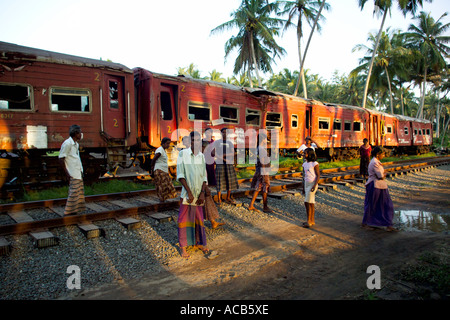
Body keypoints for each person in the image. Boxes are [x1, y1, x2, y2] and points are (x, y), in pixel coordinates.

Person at [176, 131, 210, 259]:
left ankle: (199, 243)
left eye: (198, 140)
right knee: (183, 219)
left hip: (198, 193)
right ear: (189, 141)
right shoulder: (182, 154)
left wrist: (202, 192)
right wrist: (189, 192)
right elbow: (180, 175)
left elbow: (204, 175)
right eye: (193, 140)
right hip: (187, 193)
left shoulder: (201, 156)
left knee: (198, 218)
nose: (195, 142)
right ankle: (183, 247)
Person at [362, 146, 397, 232]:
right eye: (383, 154)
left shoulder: (376, 161)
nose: (384, 155)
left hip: (379, 186)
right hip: (375, 186)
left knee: (383, 205)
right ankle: (366, 223)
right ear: (378, 154)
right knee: (374, 205)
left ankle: (387, 224)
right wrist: (383, 175)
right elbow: (380, 175)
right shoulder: (375, 163)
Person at [59, 125, 85, 216]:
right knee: (73, 192)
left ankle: (74, 211)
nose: (81, 134)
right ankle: (68, 212)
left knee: (78, 192)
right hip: (72, 172)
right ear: (75, 134)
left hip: (77, 171)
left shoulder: (76, 144)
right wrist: (66, 174)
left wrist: (81, 170)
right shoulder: (67, 144)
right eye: (80, 133)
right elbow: (61, 158)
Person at [202, 140, 225, 229]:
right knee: (205, 203)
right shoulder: (200, 156)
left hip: (204, 183)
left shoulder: (202, 156)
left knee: (208, 202)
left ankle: (213, 222)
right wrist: (205, 185)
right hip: (201, 184)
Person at [248, 132, 272, 213]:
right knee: (263, 188)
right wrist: (264, 173)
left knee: (260, 188)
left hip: (260, 171)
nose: (267, 140)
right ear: (263, 139)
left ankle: (261, 205)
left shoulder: (258, 148)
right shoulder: (261, 148)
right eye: (265, 138)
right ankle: (262, 206)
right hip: (263, 171)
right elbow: (262, 162)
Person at [214, 127, 239, 205]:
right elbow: (213, 152)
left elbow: (234, 153)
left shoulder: (230, 143)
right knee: (219, 181)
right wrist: (223, 159)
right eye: (223, 132)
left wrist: (225, 155)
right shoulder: (217, 142)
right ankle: (219, 199)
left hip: (228, 164)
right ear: (221, 133)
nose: (225, 133)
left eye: (226, 132)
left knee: (229, 180)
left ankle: (228, 197)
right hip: (220, 163)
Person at [150, 137, 178, 202]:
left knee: (165, 185)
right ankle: (162, 200)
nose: (168, 145)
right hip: (159, 170)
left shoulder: (163, 150)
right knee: (162, 185)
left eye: (169, 144)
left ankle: (163, 199)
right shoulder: (159, 150)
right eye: (167, 143)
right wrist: (152, 168)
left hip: (163, 170)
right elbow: (154, 159)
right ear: (163, 143)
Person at [302, 148, 320, 228]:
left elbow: (318, 175)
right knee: (311, 203)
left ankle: (308, 221)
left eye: (305, 153)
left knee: (307, 202)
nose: (303, 154)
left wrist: (315, 185)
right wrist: (303, 187)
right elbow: (304, 176)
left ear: (310, 154)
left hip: (312, 184)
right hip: (306, 183)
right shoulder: (304, 164)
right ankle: (312, 220)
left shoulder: (315, 164)